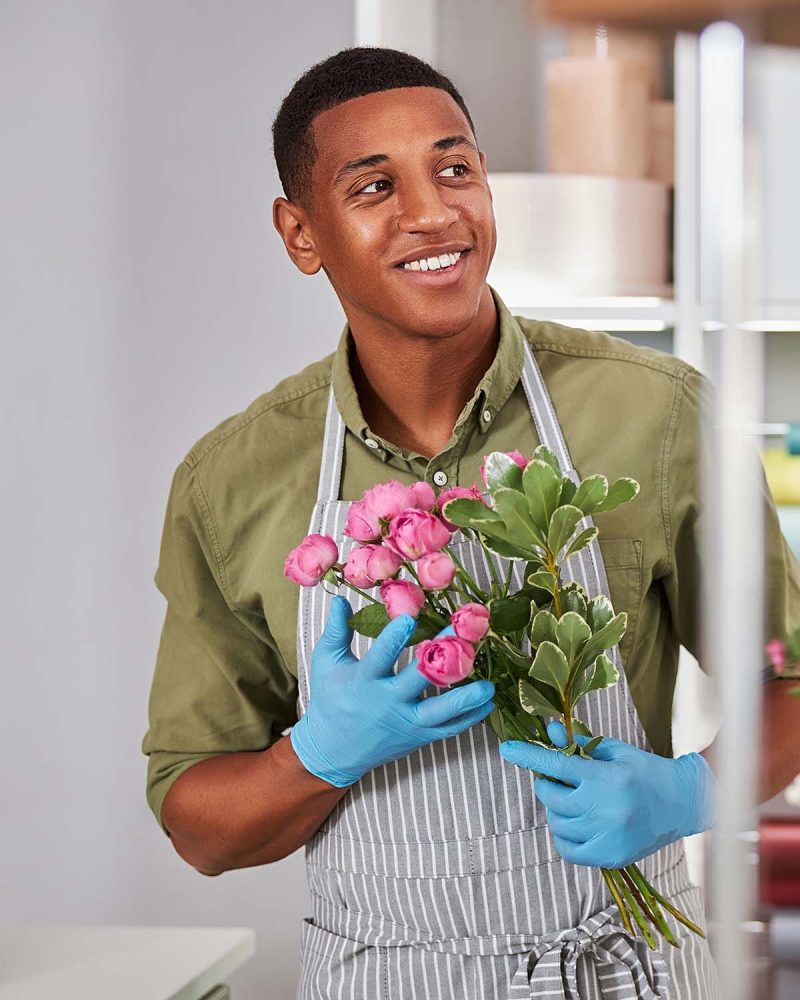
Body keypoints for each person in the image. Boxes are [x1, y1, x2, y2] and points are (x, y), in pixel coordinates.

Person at [142, 46, 800, 999]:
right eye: (375, 186)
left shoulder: (655, 415)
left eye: (456, 167)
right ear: (301, 232)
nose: (434, 211)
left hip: (625, 970)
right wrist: (318, 754)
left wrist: (692, 791)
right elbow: (198, 826)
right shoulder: (232, 482)